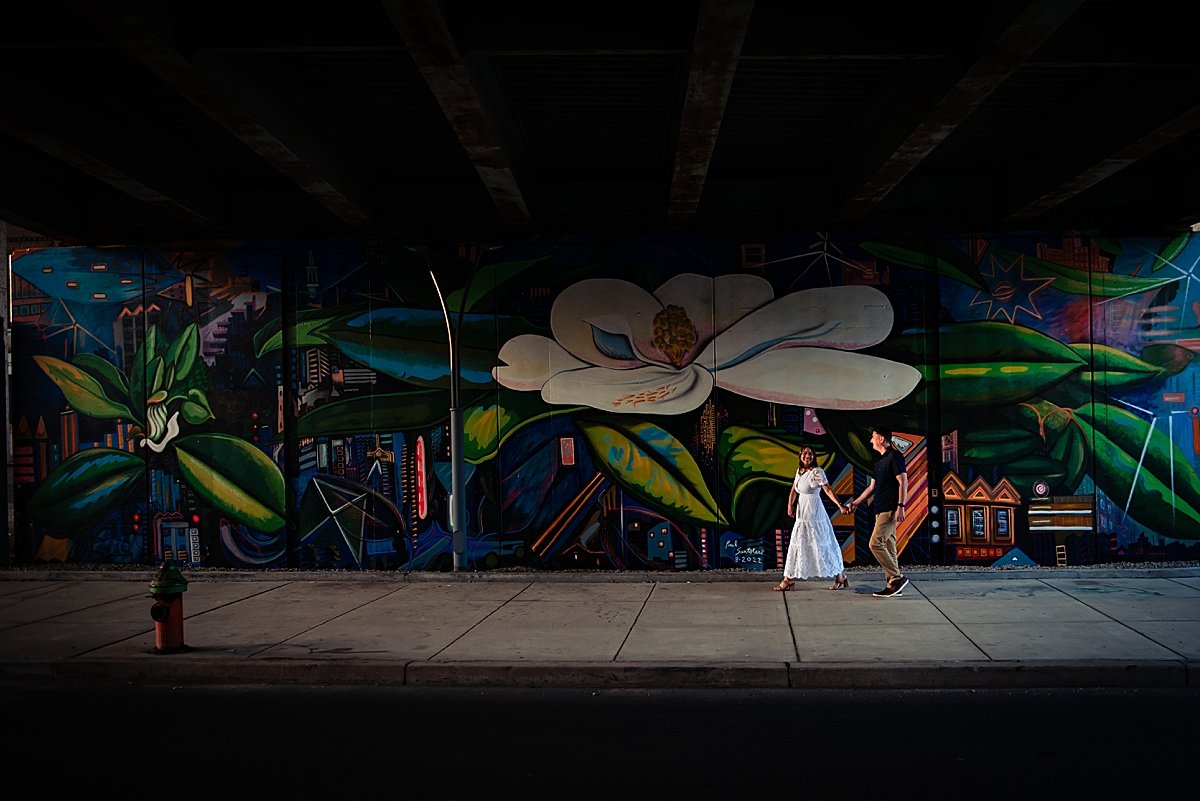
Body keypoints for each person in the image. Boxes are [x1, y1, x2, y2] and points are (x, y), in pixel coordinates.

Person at [774, 446, 850, 591]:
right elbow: (794, 490)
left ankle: (839, 576)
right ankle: (788, 579)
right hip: (802, 514)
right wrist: (790, 505)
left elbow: (827, 489)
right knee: (798, 543)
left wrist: (840, 506)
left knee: (822, 543)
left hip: (814, 513)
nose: (807, 456)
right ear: (800, 456)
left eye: (810, 453)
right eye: (804, 453)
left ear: (813, 456)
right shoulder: (800, 472)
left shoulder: (817, 472)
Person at [847, 426, 909, 597]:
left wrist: (901, 506)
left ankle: (896, 577)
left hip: (890, 508)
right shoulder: (879, 461)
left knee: (875, 543)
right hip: (879, 508)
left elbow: (903, 481)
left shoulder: (894, 456)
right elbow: (871, 488)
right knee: (889, 547)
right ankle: (893, 585)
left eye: (873, 437)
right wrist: (856, 503)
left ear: (881, 438)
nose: (870, 441)